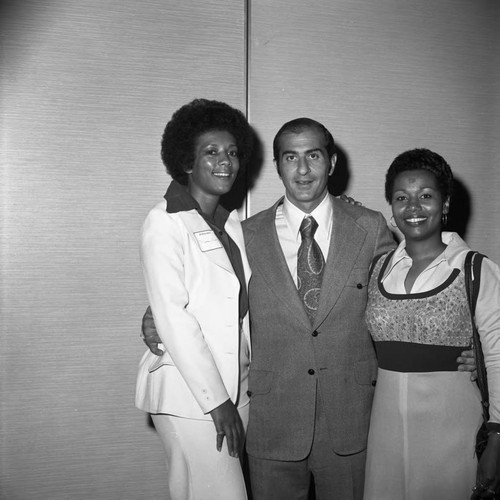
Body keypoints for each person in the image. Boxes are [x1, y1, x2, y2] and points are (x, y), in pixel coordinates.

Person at [141, 120, 477, 499]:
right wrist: (154, 316)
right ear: (278, 165)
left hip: (353, 419)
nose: (302, 170)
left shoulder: (369, 226)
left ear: (331, 162)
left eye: (313, 156)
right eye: (291, 157)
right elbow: (207, 290)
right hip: (273, 419)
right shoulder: (244, 233)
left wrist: (473, 348)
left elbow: (415, 288)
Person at [363, 148, 500, 500]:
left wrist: (497, 438)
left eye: (425, 196)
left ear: (446, 203)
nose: (413, 207)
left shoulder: (475, 269)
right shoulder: (378, 269)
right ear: (391, 209)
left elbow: (499, 357)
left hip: (451, 423)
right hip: (386, 426)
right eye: (401, 198)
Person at [135, 98, 254, 500]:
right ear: (187, 161)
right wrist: (218, 403)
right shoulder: (164, 221)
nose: (226, 162)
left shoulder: (231, 223)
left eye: (233, 152)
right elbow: (173, 316)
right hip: (192, 396)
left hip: (234, 386)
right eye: (212, 152)